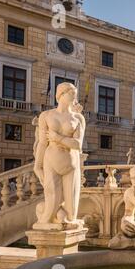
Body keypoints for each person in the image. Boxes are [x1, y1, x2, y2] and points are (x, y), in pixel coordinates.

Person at [33, 82, 86, 228]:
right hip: (51, 161)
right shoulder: (46, 116)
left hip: (71, 163)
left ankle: (62, 219)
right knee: (52, 200)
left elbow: (77, 145)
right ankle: (47, 221)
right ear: (60, 95)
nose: (74, 97)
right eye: (71, 94)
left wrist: (59, 139)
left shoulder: (78, 118)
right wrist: (37, 166)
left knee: (71, 215)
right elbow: (43, 143)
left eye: (74, 94)